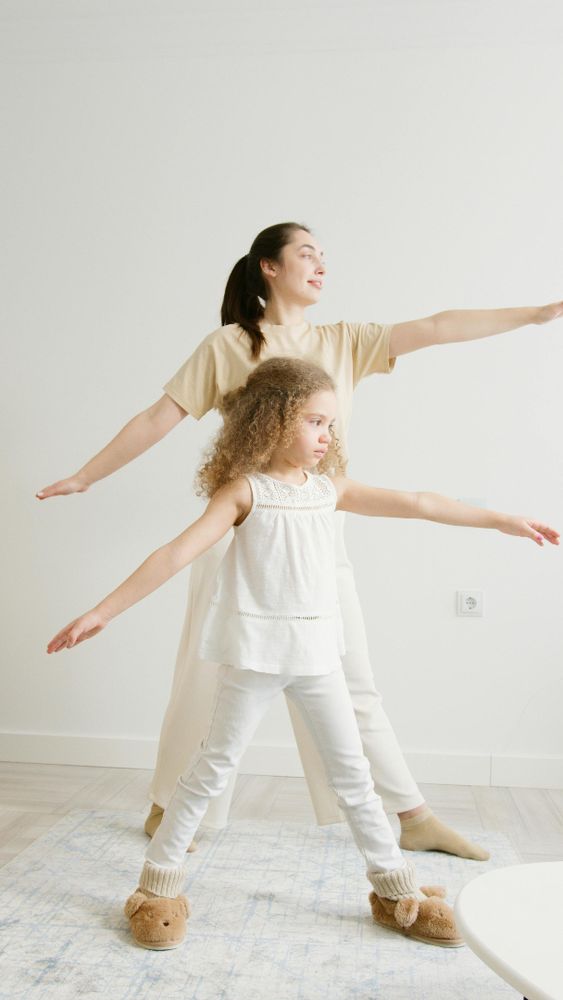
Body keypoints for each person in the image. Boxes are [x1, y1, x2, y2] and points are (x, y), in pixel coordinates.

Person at [37, 221, 563, 863]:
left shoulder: (345, 342)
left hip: (317, 527)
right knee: (207, 673)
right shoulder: (228, 345)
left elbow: (437, 325)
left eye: (324, 257)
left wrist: (538, 314)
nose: (320, 265)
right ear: (268, 267)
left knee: (352, 677)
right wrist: (85, 476)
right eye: (306, 254)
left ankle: (410, 814)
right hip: (238, 528)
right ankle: (167, 804)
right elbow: (157, 418)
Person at [46, 357, 558, 951]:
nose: (327, 436)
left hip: (318, 657)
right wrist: (102, 611)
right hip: (257, 657)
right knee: (211, 769)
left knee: (354, 778)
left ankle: (396, 892)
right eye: (315, 422)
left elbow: (419, 502)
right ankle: (157, 888)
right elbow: (175, 553)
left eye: (331, 425)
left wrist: (500, 520)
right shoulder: (243, 493)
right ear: (271, 421)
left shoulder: (329, 491)